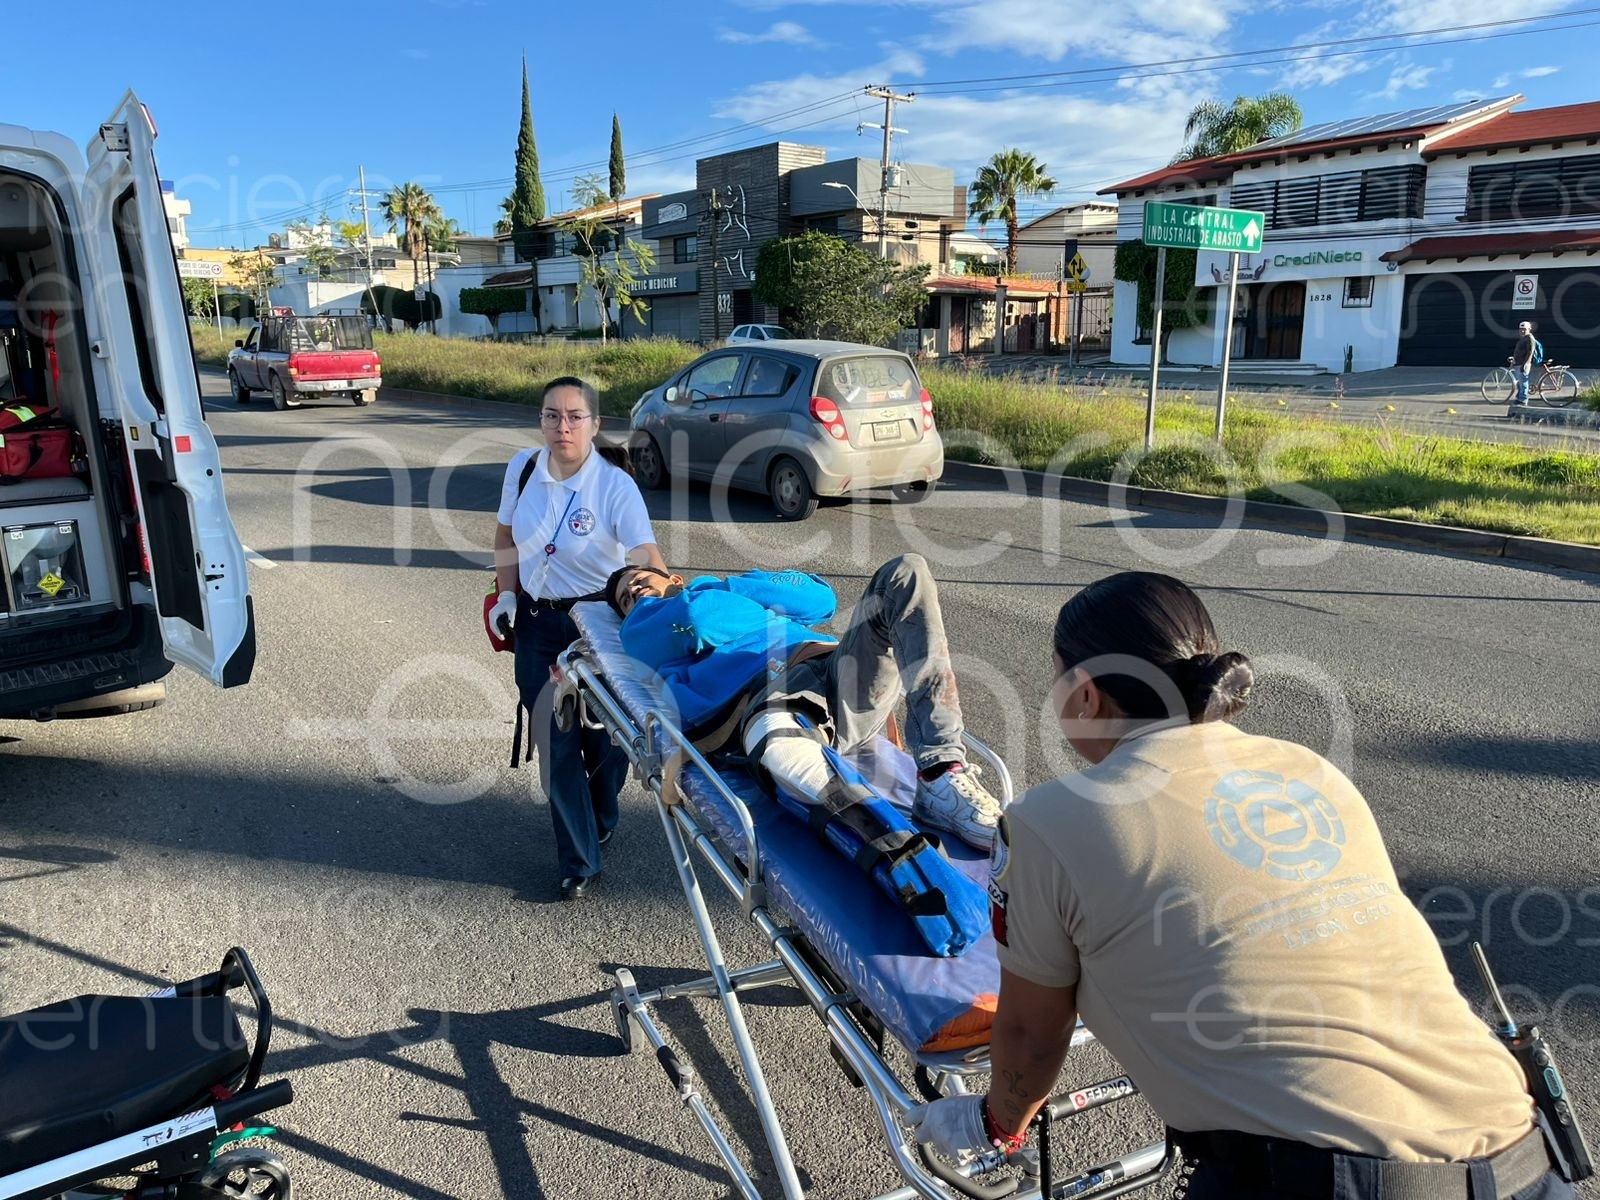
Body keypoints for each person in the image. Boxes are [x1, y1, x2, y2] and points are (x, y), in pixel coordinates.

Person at [907, 571, 1572, 1200]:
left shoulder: (1046, 824)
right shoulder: (1309, 771)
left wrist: (996, 1124)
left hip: (1332, 1179)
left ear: (1086, 693)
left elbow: (1031, 1035)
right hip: (1524, 1152)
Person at [605, 554, 1002, 851]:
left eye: (639, 579)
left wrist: (726, 586)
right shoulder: (639, 628)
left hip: (831, 669)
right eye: (625, 597)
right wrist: (707, 596)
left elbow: (820, 599)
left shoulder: (721, 590)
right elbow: (697, 620)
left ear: (673, 577)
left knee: (906, 571)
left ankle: (941, 772)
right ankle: (895, 849)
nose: (634, 591)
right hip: (767, 698)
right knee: (782, 752)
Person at [491, 376, 667, 902]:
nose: (561, 426)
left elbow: (645, 555)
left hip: (598, 629)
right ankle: (579, 859)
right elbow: (505, 536)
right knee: (556, 740)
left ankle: (602, 812)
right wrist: (506, 595)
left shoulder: (614, 486)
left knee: (610, 740)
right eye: (551, 415)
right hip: (537, 624)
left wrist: (664, 600)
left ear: (595, 424)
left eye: (574, 417)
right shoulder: (523, 468)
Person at [1512, 320, 1539, 408]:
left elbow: (1530, 352)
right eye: (1521, 329)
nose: (1522, 331)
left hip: (1523, 364)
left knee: (1523, 382)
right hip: (1518, 363)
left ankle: (1523, 399)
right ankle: (1519, 398)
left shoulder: (1530, 338)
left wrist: (1525, 364)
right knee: (1520, 382)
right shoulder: (1523, 338)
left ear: (1529, 329)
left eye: (1524, 329)